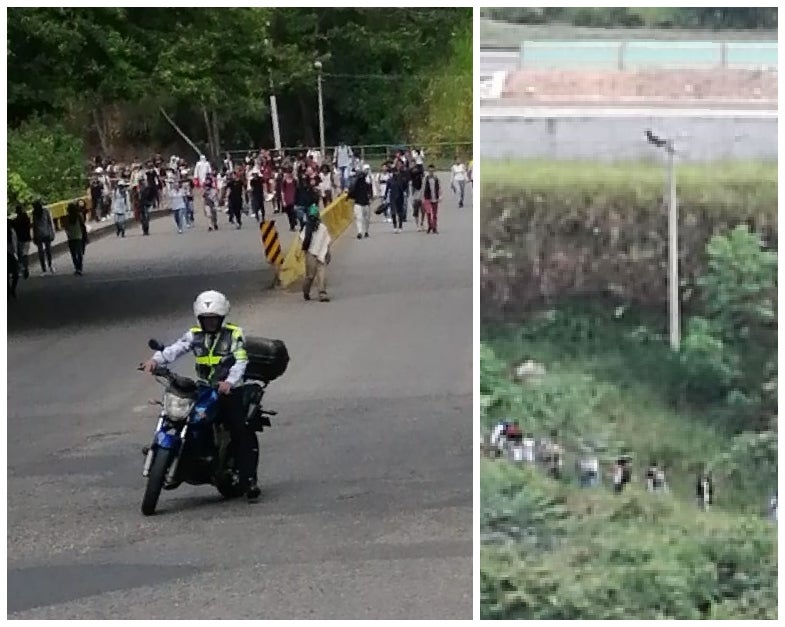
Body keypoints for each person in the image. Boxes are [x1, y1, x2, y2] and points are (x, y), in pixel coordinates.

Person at [141, 290, 260, 501]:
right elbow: (174, 349)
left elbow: (241, 360)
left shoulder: (234, 334)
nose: (210, 323)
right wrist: (155, 361)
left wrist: (229, 382)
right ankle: (171, 452)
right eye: (207, 320)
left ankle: (249, 479)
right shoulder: (194, 334)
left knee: (240, 429)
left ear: (222, 318)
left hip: (229, 391)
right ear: (200, 319)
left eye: (214, 319)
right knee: (178, 416)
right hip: (204, 388)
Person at [300, 204, 331, 302]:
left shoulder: (322, 228)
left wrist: (328, 252)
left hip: (321, 253)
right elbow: (303, 240)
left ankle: (322, 293)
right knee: (310, 276)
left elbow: (326, 241)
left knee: (322, 275)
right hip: (310, 254)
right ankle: (306, 291)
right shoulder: (306, 228)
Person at [348, 164, 373, 239]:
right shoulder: (356, 184)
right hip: (359, 203)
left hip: (364, 203)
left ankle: (365, 231)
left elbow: (370, 193)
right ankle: (360, 232)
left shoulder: (367, 184)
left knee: (365, 218)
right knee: (360, 218)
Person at [31, 199, 56, 274]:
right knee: (48, 250)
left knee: (40, 252)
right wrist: (52, 232)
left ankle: (43, 268)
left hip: (38, 235)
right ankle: (50, 265)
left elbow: (34, 226)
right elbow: (50, 222)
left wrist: (34, 236)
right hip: (46, 233)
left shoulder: (34, 213)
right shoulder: (46, 211)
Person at [63, 202, 85, 275]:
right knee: (79, 253)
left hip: (71, 237)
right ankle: (80, 267)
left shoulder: (66, 218)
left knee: (73, 254)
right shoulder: (78, 216)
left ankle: (76, 267)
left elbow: (65, 227)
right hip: (79, 236)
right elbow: (82, 225)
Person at [12, 204, 32, 279]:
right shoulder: (26, 218)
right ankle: (26, 267)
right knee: (25, 254)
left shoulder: (16, 221)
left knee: (20, 255)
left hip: (20, 239)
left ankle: (22, 268)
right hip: (27, 238)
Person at [422, 165, 442, 234]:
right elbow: (423, 188)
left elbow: (439, 188)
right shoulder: (426, 179)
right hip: (427, 198)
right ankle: (430, 225)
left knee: (434, 214)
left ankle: (434, 227)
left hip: (435, 198)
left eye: (432, 171)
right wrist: (422, 198)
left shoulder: (436, 179)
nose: (431, 172)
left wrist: (440, 196)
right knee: (428, 213)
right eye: (429, 171)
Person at [8, 222, 19, 298]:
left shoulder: (12, 231)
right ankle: (10, 290)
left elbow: (15, 242)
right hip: (11, 254)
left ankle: (10, 290)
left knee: (14, 274)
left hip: (11, 254)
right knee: (15, 274)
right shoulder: (12, 231)